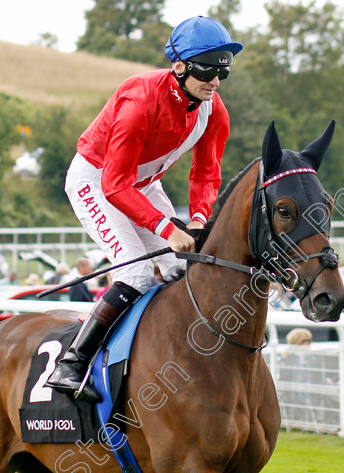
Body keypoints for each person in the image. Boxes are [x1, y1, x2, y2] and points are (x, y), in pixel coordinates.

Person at [46, 16, 242, 402]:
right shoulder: (140, 99)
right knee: (136, 272)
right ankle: (72, 363)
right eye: (208, 70)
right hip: (96, 180)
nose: (215, 82)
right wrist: (168, 230)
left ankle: (176, 356)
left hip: (142, 184)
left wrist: (198, 220)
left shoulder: (213, 110)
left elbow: (205, 175)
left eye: (223, 71)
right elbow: (114, 185)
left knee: (180, 269)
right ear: (180, 65)